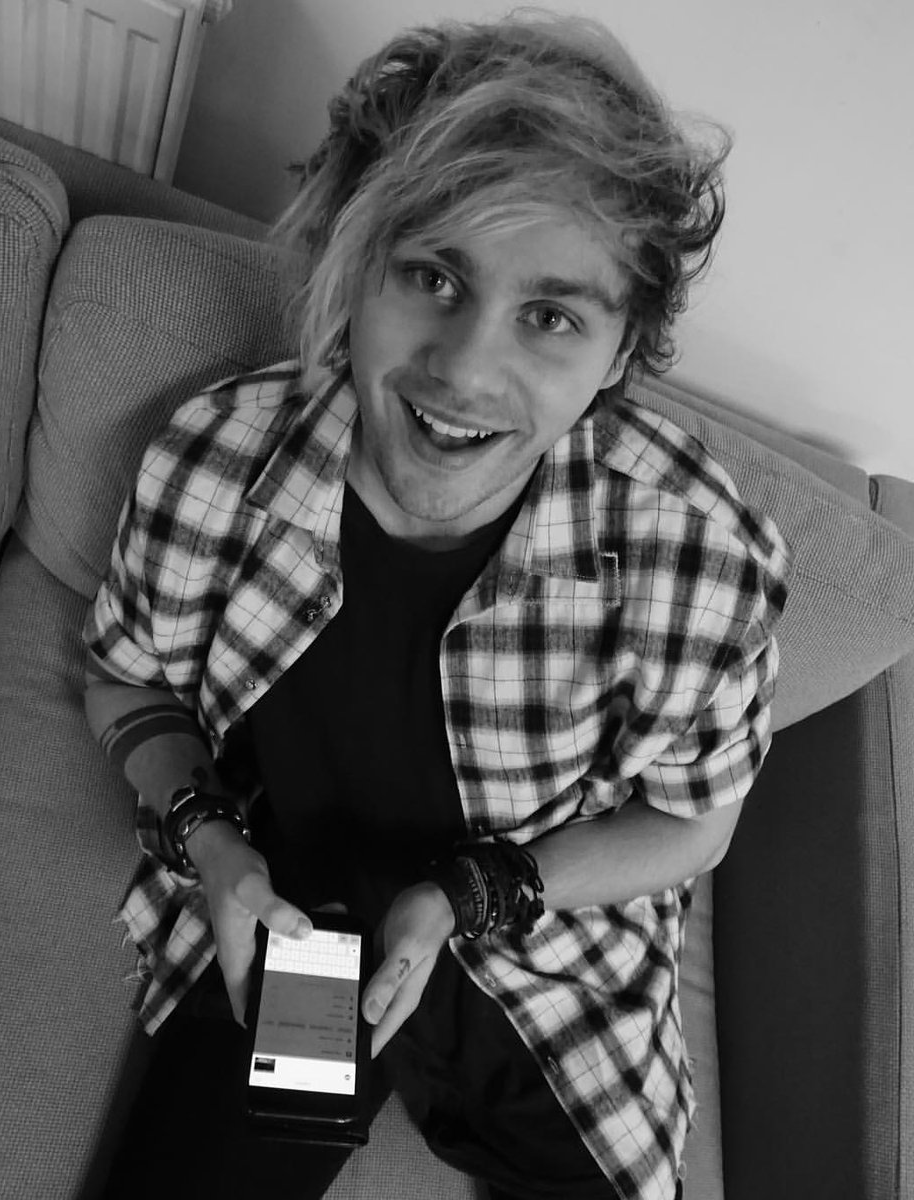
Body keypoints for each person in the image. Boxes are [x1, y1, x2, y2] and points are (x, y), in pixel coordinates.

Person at [84, 14, 789, 1200]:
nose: (463, 371)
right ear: (355, 268)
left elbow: (693, 825)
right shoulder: (218, 459)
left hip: (541, 945)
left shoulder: (701, 559)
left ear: (621, 353)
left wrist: (470, 896)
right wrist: (211, 843)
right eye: (432, 276)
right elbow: (124, 677)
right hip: (300, 920)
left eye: (551, 316)